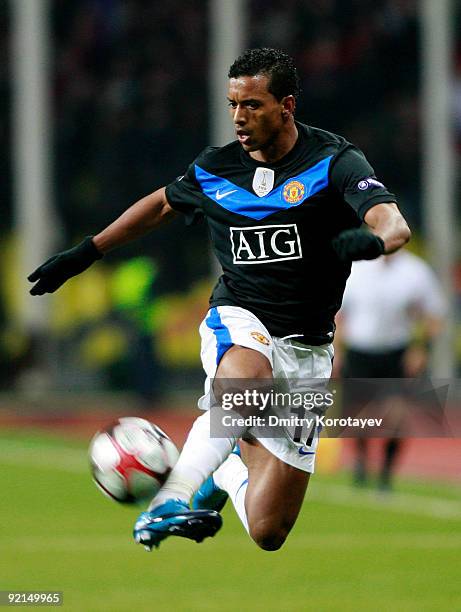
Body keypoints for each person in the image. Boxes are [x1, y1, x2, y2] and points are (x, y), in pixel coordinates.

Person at [28, 48, 410, 551]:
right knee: (247, 380)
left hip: (308, 349)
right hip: (239, 317)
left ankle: (226, 470)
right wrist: (88, 251)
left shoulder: (333, 160)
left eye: (252, 105)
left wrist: (374, 240)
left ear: (286, 105)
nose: (239, 117)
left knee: (268, 530)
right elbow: (163, 203)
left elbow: (393, 223)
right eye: (233, 104)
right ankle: (172, 497)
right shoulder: (215, 169)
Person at [334, 250, 445, 491]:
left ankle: (386, 472)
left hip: (396, 352)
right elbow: (339, 313)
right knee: (357, 415)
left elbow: (434, 313)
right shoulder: (355, 268)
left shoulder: (415, 271)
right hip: (359, 351)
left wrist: (420, 348)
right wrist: (338, 350)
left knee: (397, 415)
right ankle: (361, 463)